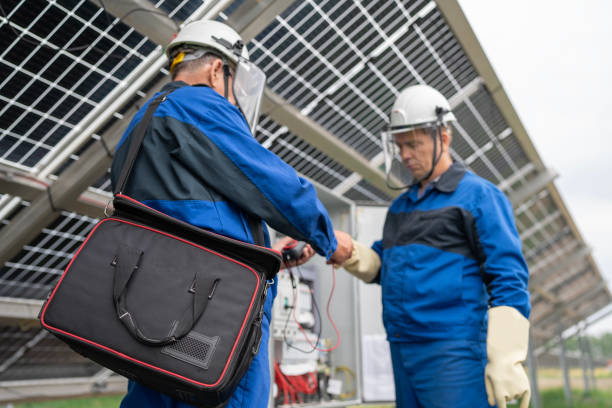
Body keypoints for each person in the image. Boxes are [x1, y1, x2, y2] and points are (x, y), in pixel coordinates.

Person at [109, 20, 352, 408]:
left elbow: (186, 227)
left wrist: (275, 257)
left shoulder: (137, 126)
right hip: (211, 317)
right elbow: (272, 184)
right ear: (217, 68)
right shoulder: (198, 107)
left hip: (149, 309)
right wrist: (327, 236)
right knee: (220, 393)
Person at [337, 84, 531, 408]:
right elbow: (383, 265)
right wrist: (344, 250)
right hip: (401, 347)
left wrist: (507, 358)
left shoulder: (479, 197)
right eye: (399, 146)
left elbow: (508, 277)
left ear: (444, 136)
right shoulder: (401, 207)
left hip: (453, 353)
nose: (405, 155)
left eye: (413, 144)